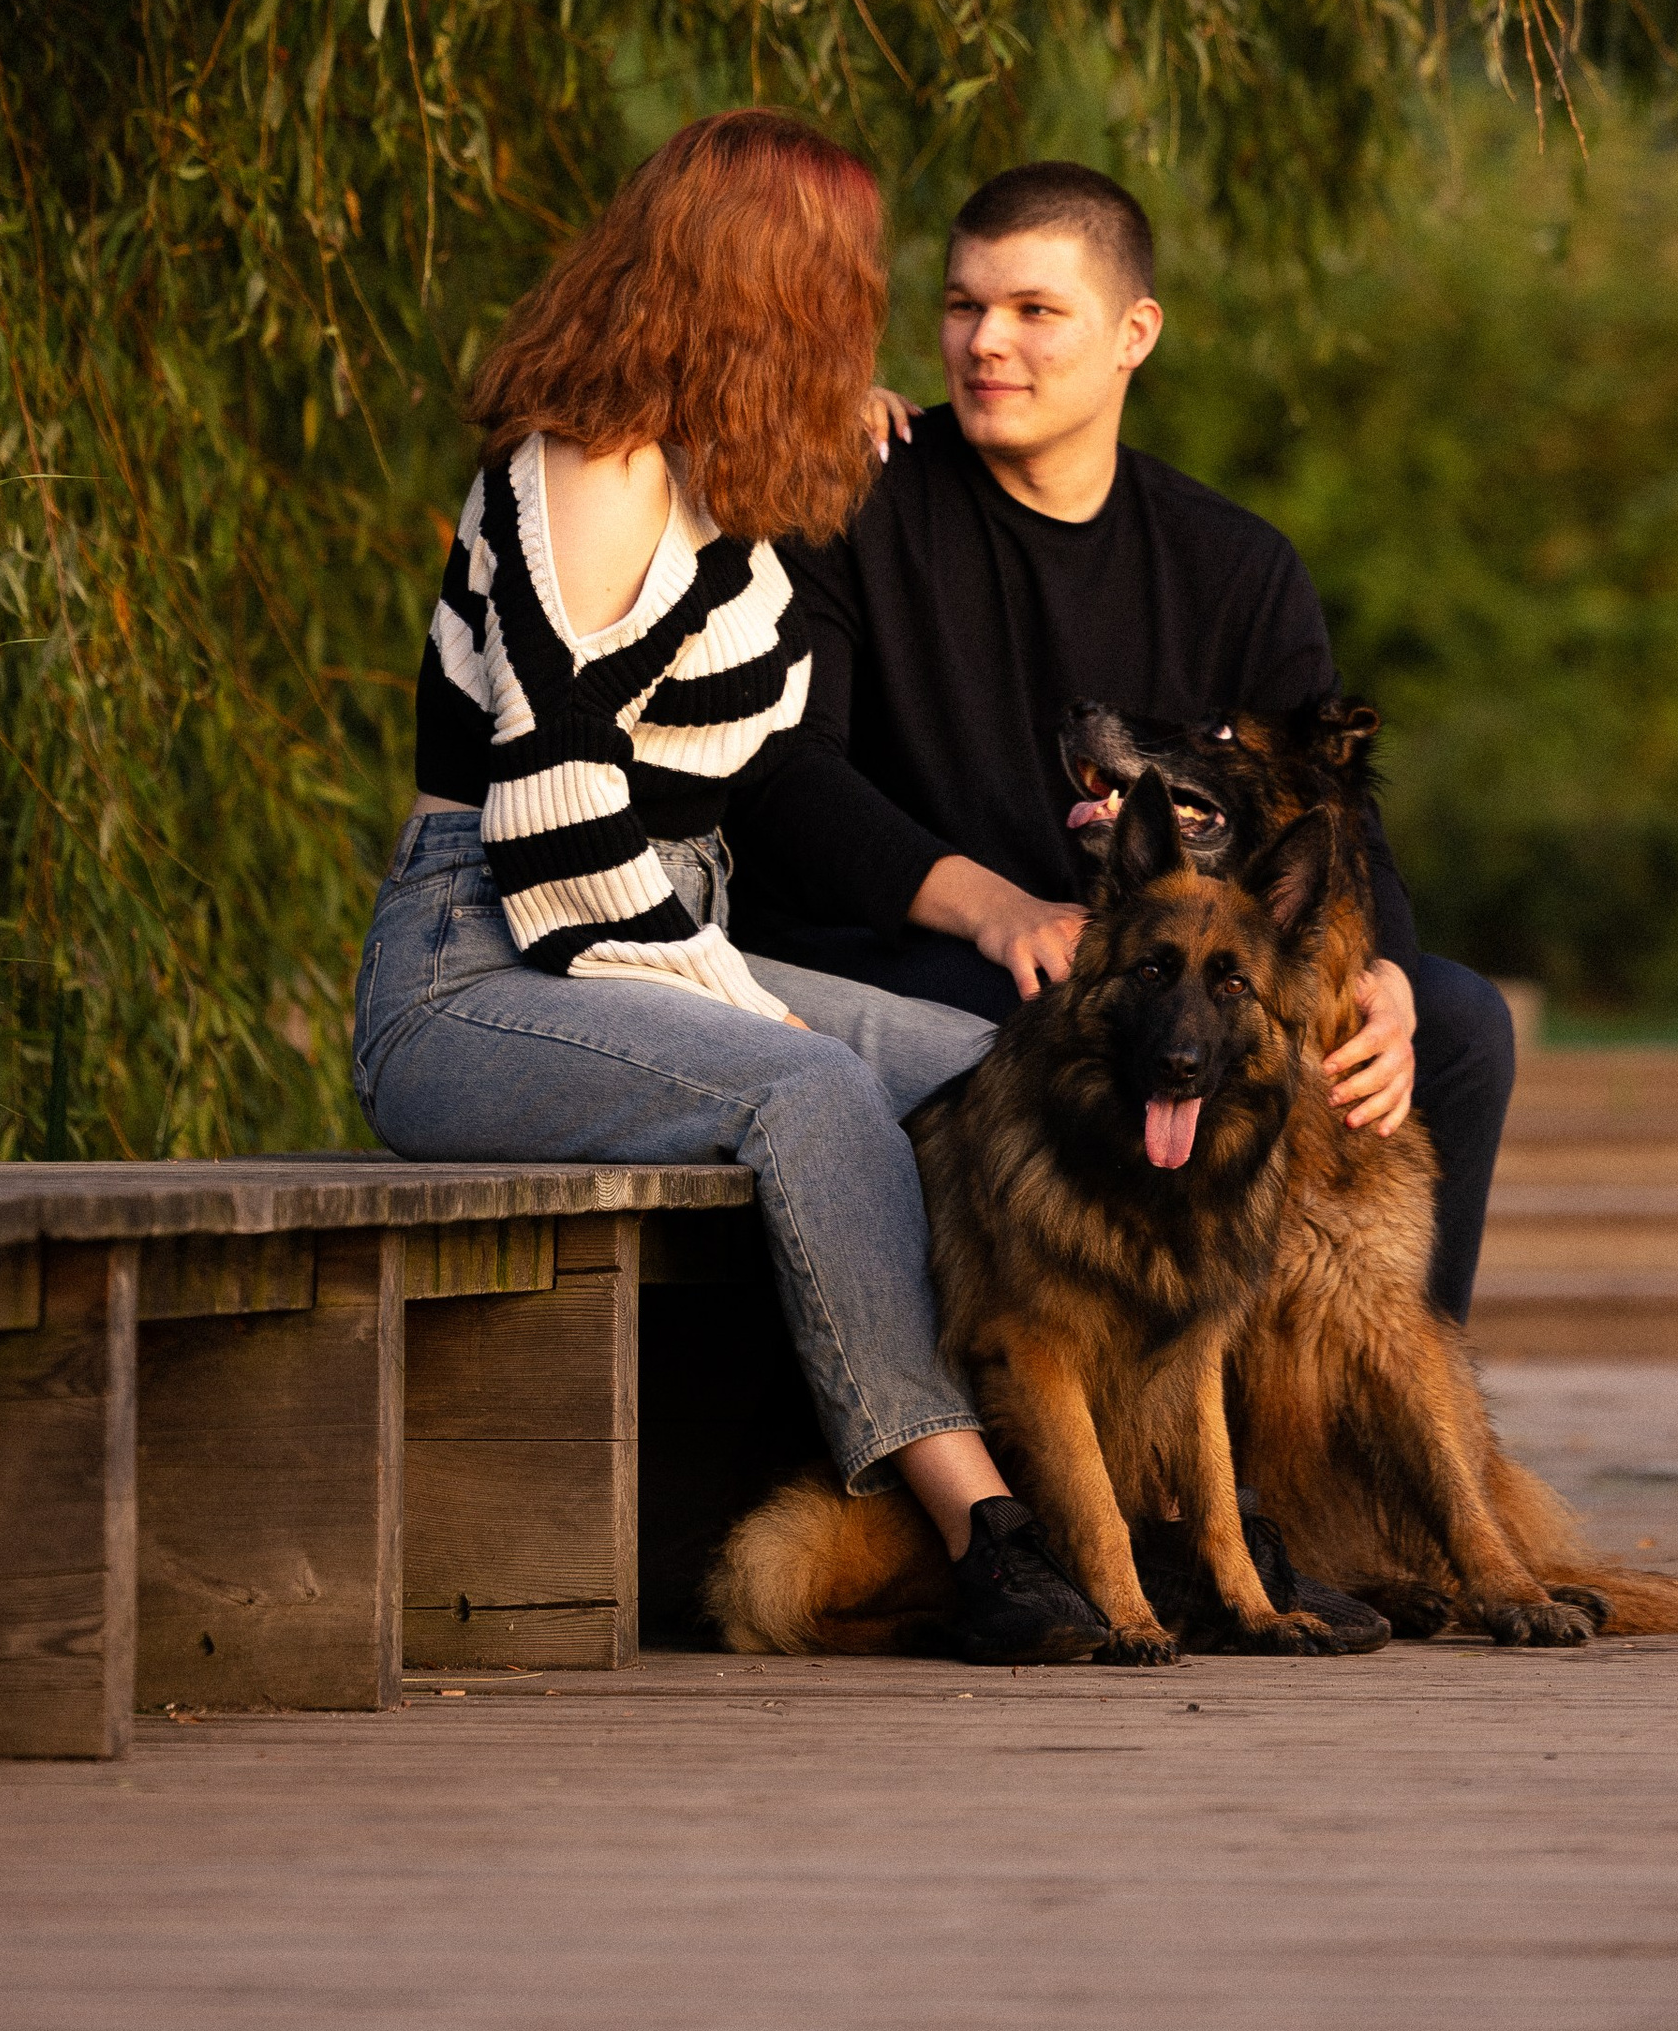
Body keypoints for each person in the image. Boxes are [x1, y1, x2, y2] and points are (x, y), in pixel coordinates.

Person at [349, 110, 1112, 1664]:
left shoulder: (711, 472)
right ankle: (986, 1533)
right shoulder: (587, 467)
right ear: (778, 282)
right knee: (810, 1088)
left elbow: (744, 740)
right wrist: (741, 1002)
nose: (873, 305)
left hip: (638, 936)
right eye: (850, 277)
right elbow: (556, 820)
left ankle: (1119, 1489)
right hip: (479, 966)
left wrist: (823, 428)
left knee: (995, 1073)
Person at [725, 160, 1519, 1323]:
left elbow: (1332, 805)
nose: (986, 341)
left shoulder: (1233, 563)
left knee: (1454, 1024)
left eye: (1034, 310)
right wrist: (994, 907)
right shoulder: (857, 501)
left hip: (1164, 957)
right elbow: (784, 777)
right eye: (962, 304)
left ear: (1133, 333)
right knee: (1058, 1017)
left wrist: (1385, 977)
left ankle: (1381, 1399)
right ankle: (1062, 1394)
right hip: (916, 947)